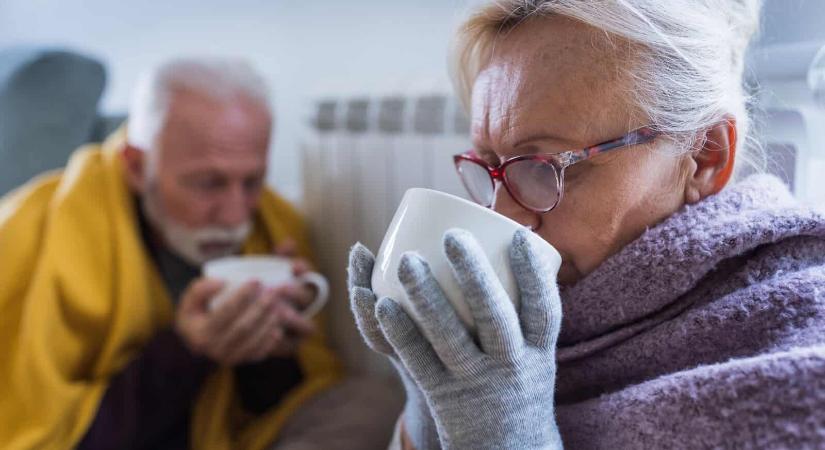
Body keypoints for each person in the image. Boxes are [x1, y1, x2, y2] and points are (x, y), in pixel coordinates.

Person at [348, 0, 825, 448]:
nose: (502, 215)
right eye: (490, 164)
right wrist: (428, 402)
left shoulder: (801, 371)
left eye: (545, 167)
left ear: (705, 156)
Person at [0, 58, 341, 449]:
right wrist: (187, 351)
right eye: (208, 183)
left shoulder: (274, 223)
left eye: (252, 181)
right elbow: (45, 435)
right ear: (135, 166)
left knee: (370, 402)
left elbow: (275, 408)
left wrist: (271, 352)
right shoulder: (33, 234)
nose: (235, 216)